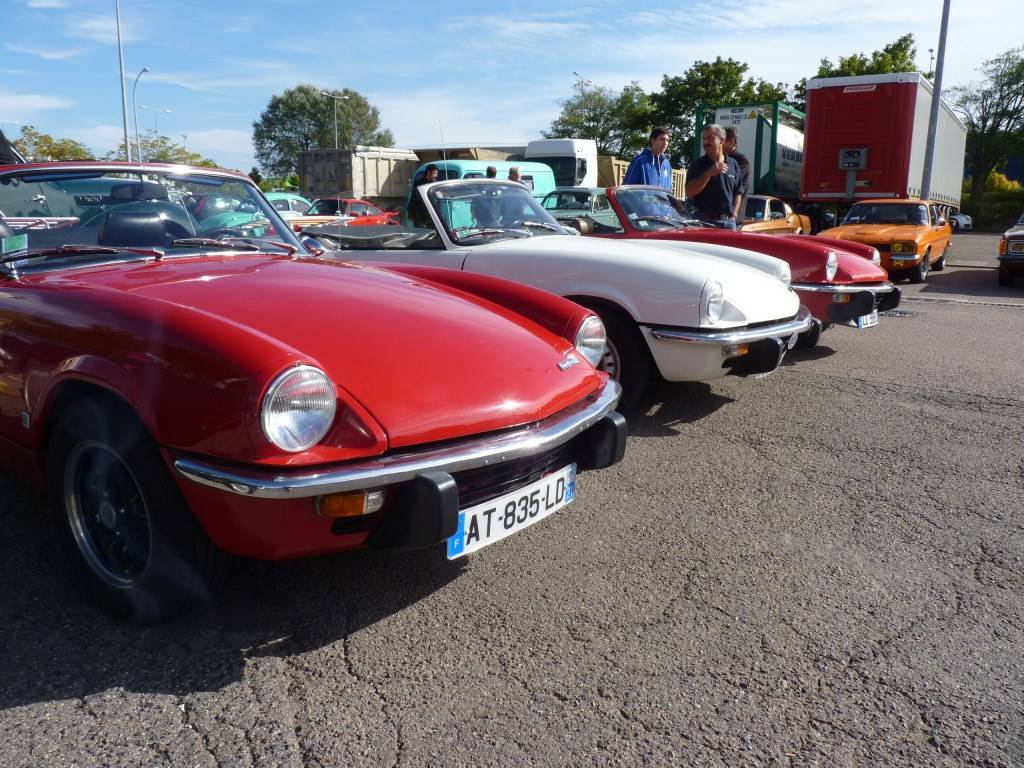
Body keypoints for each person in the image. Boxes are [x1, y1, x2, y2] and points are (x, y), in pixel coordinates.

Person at [685, 124, 743, 229]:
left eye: (710, 138)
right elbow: (689, 192)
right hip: (704, 222)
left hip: (728, 223)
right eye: (704, 139)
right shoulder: (697, 165)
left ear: (721, 140)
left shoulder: (733, 164)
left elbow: (738, 192)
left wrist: (734, 215)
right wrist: (708, 173)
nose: (706, 142)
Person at [723, 127, 750, 221]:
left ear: (731, 141)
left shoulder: (741, 160)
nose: (719, 143)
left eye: (722, 140)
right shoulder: (720, 158)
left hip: (733, 217)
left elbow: (731, 183)